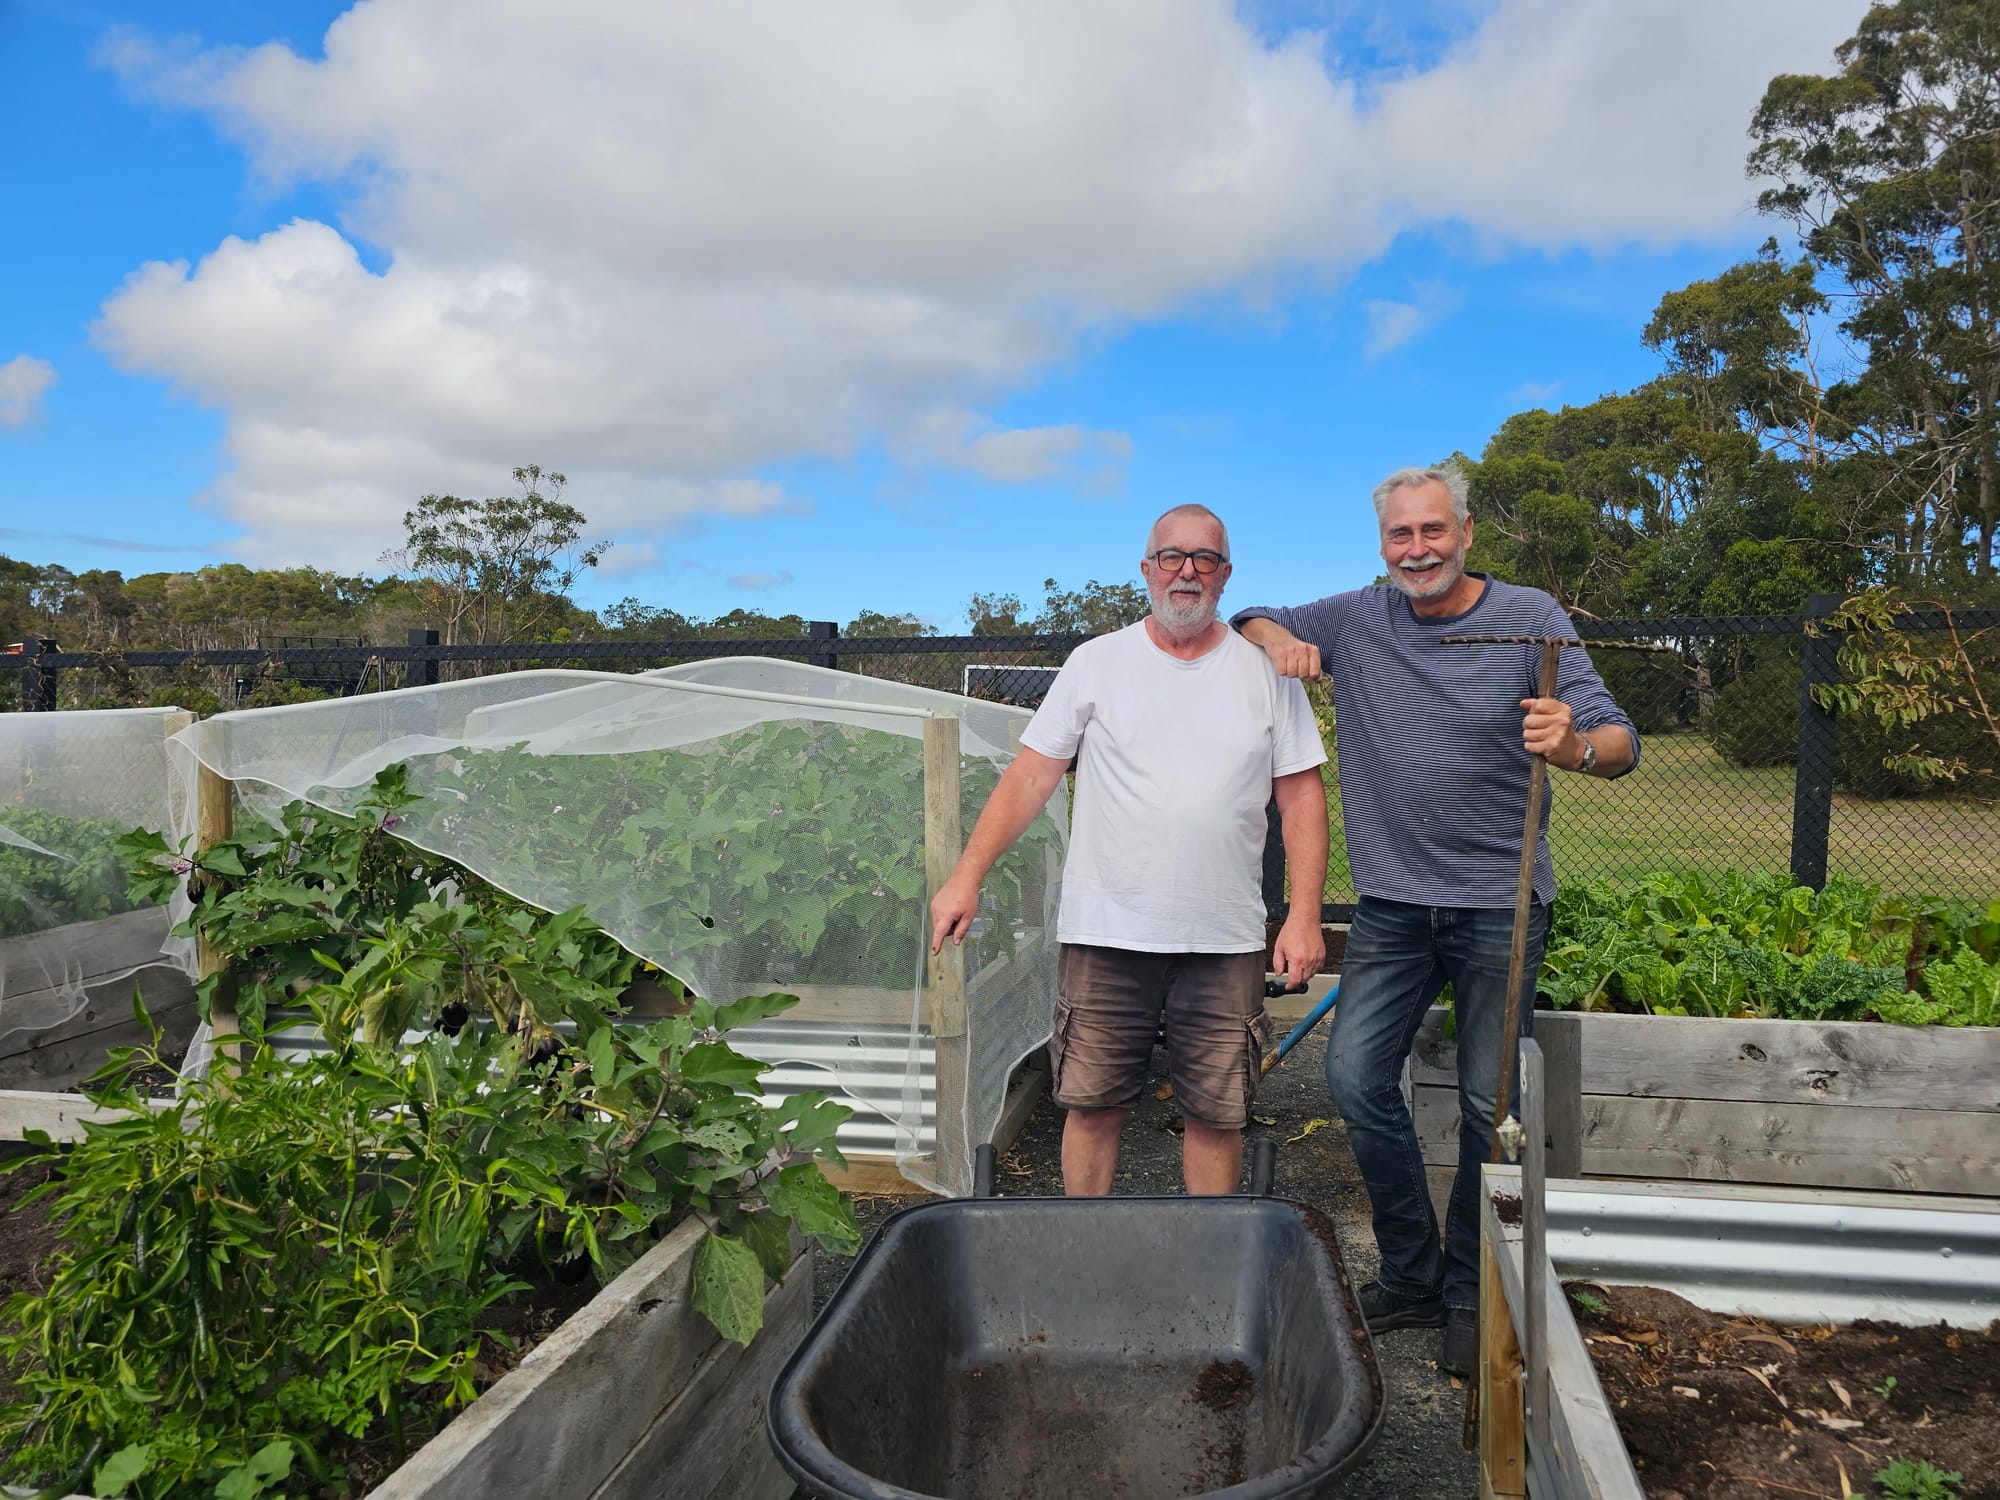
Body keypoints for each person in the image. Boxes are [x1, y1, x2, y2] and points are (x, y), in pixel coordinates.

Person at [1231, 464, 1639, 1375]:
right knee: (1353, 1077)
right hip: (1393, 906)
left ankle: (1464, 1290)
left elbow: (1621, 741)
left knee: (1492, 1105)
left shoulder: (1531, 617)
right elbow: (1251, 614)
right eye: (1400, 535)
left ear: (1466, 532)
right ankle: (1411, 1272)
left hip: (1501, 903)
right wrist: (1277, 639)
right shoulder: (1359, 617)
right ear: (1383, 544)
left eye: (1433, 531)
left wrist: (1574, 746)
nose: (1417, 550)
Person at [930, 504, 1330, 1196]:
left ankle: (1206, 1252)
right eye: (1172, 556)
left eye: (1205, 559)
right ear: (1147, 569)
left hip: (1224, 936)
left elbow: (1302, 799)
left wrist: (1304, 916)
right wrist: (967, 875)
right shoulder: (1097, 662)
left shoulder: (1265, 674)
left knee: (1217, 1115)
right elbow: (1031, 776)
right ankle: (1088, 1247)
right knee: (1093, 1106)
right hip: (1106, 931)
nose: (1187, 571)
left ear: (1225, 575)